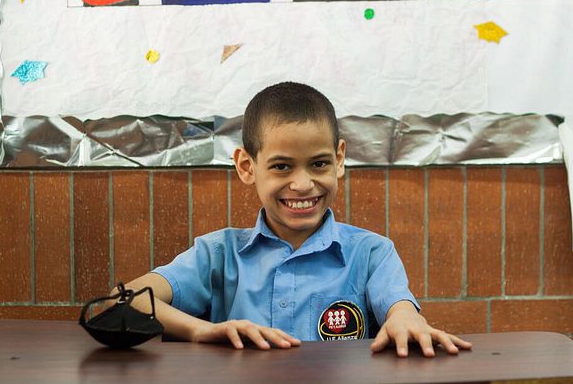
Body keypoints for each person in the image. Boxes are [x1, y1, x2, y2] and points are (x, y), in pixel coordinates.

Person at [113, 82, 472, 357]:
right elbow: (123, 301)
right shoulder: (218, 253)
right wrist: (201, 331)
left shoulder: (372, 252)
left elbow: (400, 309)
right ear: (246, 166)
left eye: (319, 163)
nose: (302, 184)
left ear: (340, 159)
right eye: (282, 166)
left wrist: (406, 319)